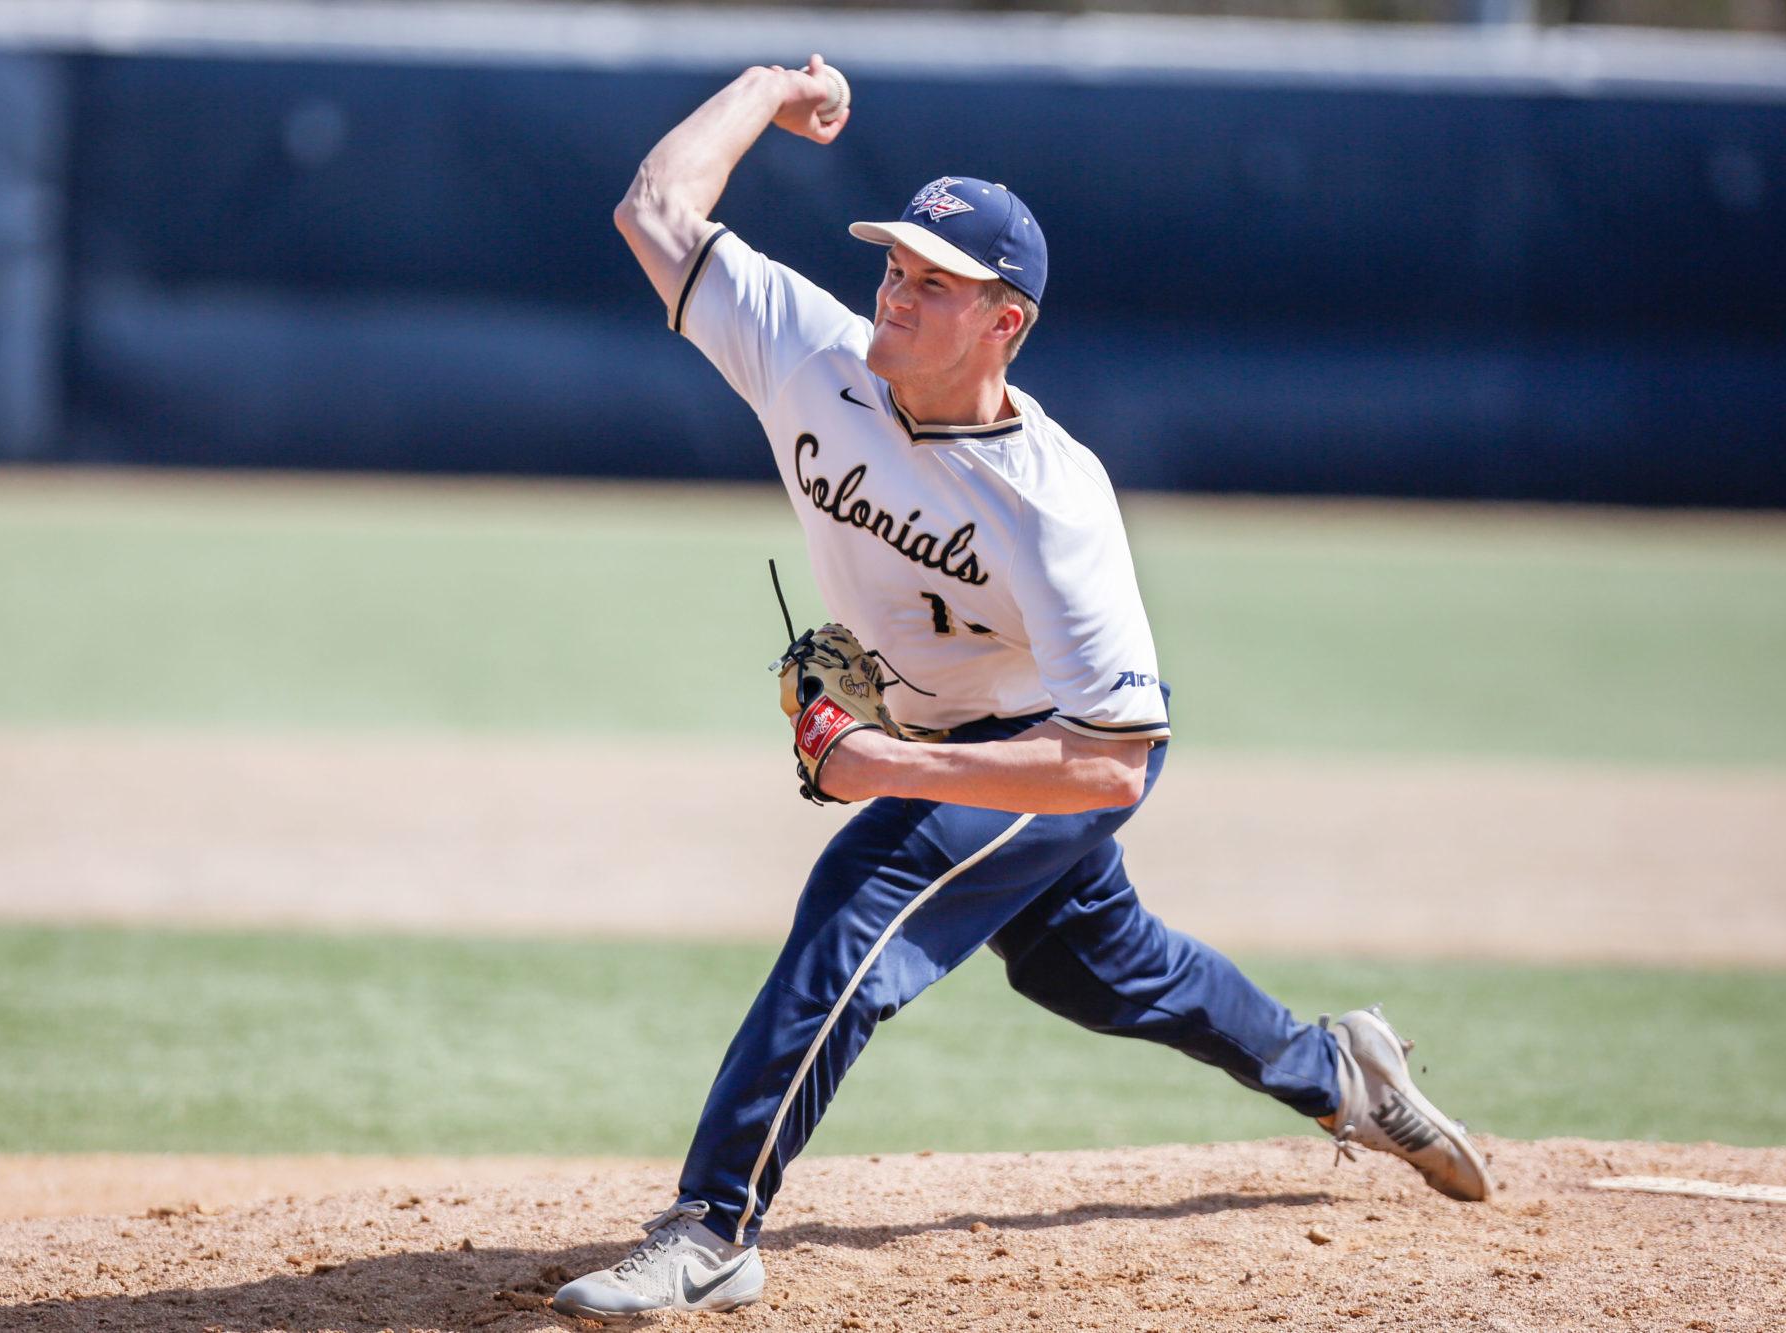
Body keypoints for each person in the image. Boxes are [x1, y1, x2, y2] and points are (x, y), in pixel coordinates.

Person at [554, 55, 1492, 1321]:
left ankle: (713, 1225)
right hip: (956, 736)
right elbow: (655, 208)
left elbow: (1110, 761)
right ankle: (1334, 1068)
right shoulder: (809, 353)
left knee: (859, 902)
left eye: (933, 286)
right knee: (1090, 968)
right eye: (892, 266)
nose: (893, 294)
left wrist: (882, 768)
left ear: (1005, 322)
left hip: (1049, 747)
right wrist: (768, 87)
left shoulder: (1051, 499)